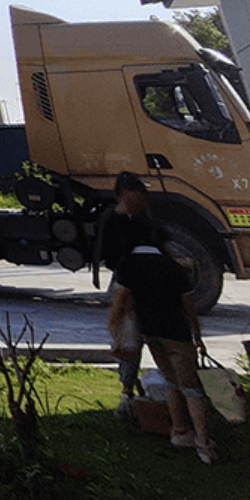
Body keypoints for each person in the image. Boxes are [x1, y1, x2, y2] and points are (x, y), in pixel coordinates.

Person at [110, 225, 218, 464]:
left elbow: (121, 303)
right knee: (191, 387)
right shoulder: (174, 268)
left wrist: (115, 330)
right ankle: (204, 443)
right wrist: (197, 335)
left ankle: (179, 431)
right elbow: (189, 305)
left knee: (171, 380)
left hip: (149, 332)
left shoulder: (128, 265)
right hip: (177, 333)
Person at [100, 172, 152, 411]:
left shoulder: (145, 218)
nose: (139, 202)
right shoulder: (114, 219)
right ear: (122, 196)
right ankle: (127, 390)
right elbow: (110, 255)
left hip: (149, 279)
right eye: (133, 197)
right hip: (126, 280)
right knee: (129, 336)